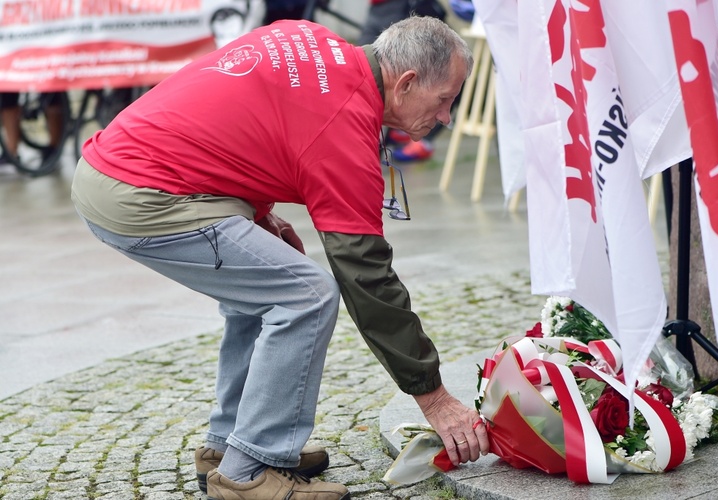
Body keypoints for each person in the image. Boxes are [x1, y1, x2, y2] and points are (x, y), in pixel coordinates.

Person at [71, 15, 485, 500]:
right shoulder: (345, 126)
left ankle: (228, 447)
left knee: (268, 288)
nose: (446, 118)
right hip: (142, 191)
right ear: (407, 83)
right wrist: (433, 397)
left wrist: (262, 216)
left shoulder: (309, 37)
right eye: (444, 100)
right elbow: (366, 276)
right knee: (306, 294)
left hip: (117, 167)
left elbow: (246, 113)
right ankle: (248, 473)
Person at [358, 0, 448, 162]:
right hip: (377, 7)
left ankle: (417, 137)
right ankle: (389, 135)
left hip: (403, 6)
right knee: (363, 73)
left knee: (412, 68)